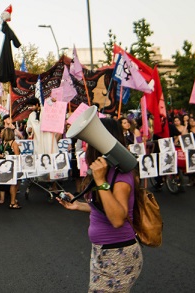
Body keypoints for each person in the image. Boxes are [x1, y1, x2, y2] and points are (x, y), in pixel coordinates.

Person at [56, 118, 142, 292]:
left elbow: (117, 218)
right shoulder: (106, 171)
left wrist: (101, 181)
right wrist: (79, 205)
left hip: (118, 254)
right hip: (103, 252)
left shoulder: (121, 177)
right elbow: (105, 208)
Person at [0, 128, 21, 209]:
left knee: (12, 183)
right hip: (13, 165)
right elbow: (17, 156)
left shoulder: (3, 143)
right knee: (14, 184)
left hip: (5, 165)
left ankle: (13, 200)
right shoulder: (13, 143)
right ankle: (13, 202)